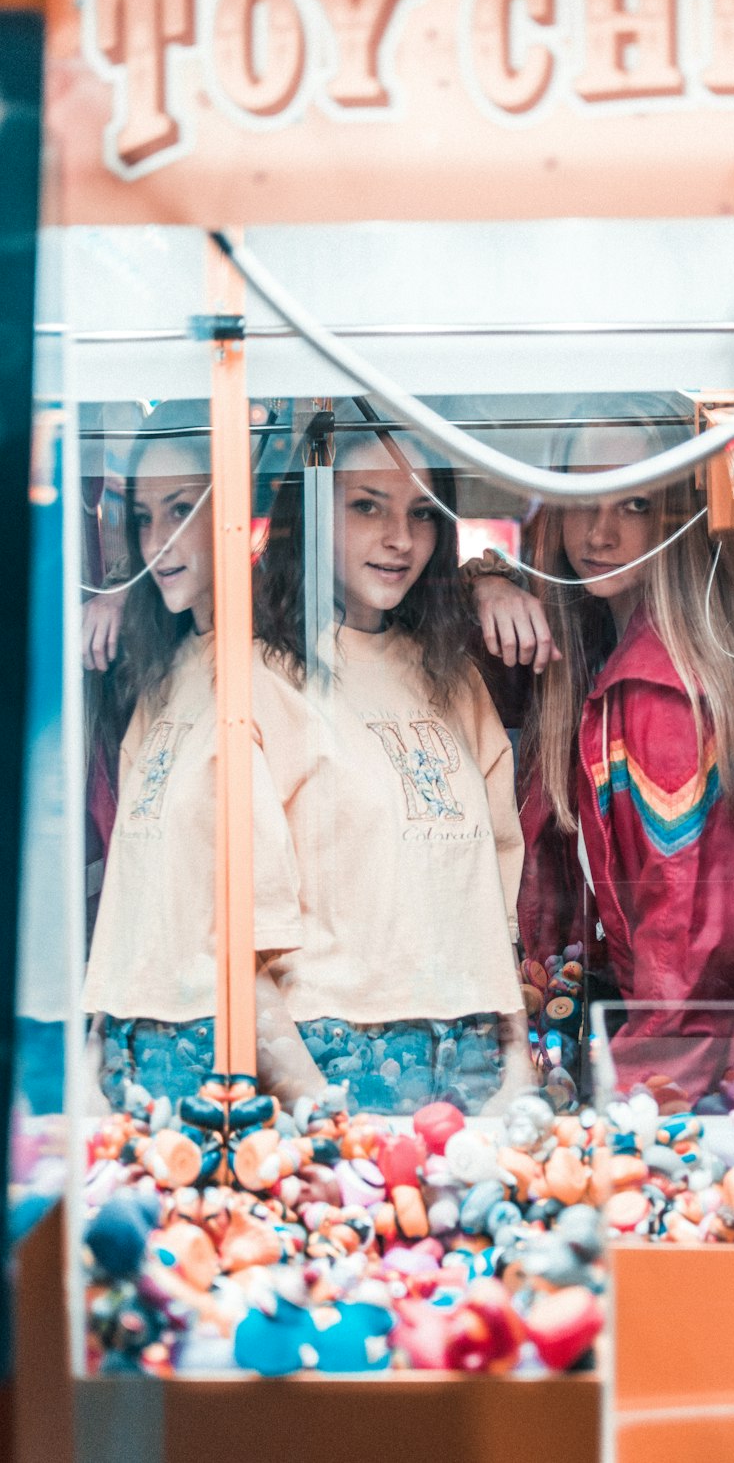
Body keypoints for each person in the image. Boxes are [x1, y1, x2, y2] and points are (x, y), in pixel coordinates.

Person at [472, 404, 734, 1102]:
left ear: (675, 518)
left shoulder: (663, 695)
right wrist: (483, 584)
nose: (600, 533)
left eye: (633, 503)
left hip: (723, 1082)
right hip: (713, 1063)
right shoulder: (602, 654)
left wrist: (615, 1103)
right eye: (582, 499)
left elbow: (685, 964)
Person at [252, 423, 532, 1115]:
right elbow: (236, 932)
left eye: (422, 515)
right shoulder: (262, 680)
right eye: (367, 506)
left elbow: (495, 890)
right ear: (313, 514)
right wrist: (310, 1096)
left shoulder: (455, 678)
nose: (400, 539)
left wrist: (517, 1059)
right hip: (337, 1047)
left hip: (472, 1050)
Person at [83, 400, 328, 1110]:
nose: (158, 540)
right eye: (143, 516)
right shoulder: (161, 673)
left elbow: (257, 926)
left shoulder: (259, 670)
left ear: (231, 510)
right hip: (134, 1057)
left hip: (214, 1062)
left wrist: (310, 1099)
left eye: (181, 509)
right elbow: (134, 892)